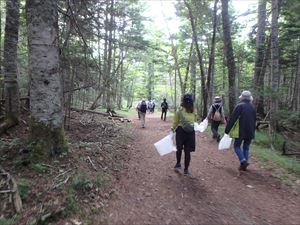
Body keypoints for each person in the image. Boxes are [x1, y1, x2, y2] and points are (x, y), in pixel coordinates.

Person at [225, 90, 256, 171]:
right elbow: (254, 120)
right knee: (246, 147)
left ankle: (243, 161)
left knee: (236, 146)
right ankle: (244, 164)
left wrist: (227, 130)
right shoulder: (253, 107)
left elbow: (233, 119)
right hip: (250, 130)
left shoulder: (239, 106)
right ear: (250, 98)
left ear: (242, 97)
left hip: (240, 130)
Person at [171, 93, 197, 176]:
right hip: (190, 132)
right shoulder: (194, 110)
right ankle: (186, 170)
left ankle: (178, 163)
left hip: (181, 131)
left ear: (183, 100)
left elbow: (176, 121)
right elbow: (195, 120)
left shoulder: (180, 110)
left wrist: (173, 128)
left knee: (179, 148)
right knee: (187, 151)